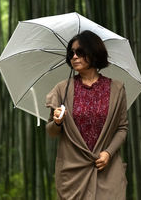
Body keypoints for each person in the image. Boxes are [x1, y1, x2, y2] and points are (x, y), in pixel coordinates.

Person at [45, 30, 128, 199]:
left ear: (94, 53)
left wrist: (108, 153)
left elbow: (122, 128)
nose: (74, 57)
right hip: (72, 173)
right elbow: (51, 132)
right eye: (71, 53)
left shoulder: (117, 89)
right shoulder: (62, 89)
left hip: (106, 169)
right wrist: (57, 122)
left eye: (80, 52)